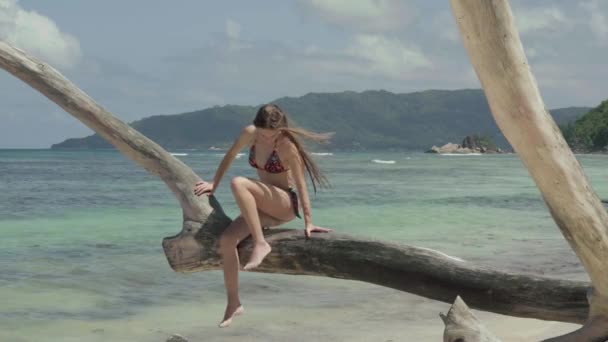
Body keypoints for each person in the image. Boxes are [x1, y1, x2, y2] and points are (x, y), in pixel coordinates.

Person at [193, 104, 333, 328]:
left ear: (280, 128)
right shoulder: (250, 133)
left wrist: (309, 220)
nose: (267, 138)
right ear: (256, 126)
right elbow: (229, 156)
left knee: (239, 183)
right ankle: (233, 303)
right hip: (264, 208)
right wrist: (213, 184)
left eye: (272, 134)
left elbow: (301, 184)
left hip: (285, 203)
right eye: (263, 133)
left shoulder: (287, 145)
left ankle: (261, 243)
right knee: (227, 241)